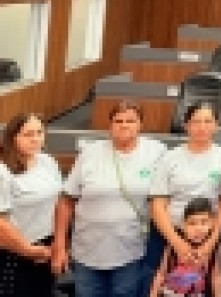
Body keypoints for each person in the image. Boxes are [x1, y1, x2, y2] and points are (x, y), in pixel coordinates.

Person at [52, 100, 168, 297]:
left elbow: (164, 198)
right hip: (87, 250)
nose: (124, 125)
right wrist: (60, 245)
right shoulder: (90, 153)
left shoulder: (157, 152)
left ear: (141, 124)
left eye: (130, 121)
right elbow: (66, 201)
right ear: (110, 125)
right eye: (118, 121)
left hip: (130, 251)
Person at [148, 103, 221, 282]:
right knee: (169, 287)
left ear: (216, 125)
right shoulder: (169, 158)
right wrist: (177, 243)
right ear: (186, 125)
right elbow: (157, 204)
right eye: (196, 122)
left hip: (210, 237)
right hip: (172, 235)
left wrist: (210, 243)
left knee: (206, 287)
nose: (202, 127)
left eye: (208, 121)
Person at [0, 112, 61, 296]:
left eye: (39, 132)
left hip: (46, 248)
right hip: (14, 253)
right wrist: (29, 250)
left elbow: (58, 202)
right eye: (28, 134)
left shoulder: (47, 161)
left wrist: (58, 244)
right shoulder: (3, 170)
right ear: (12, 137)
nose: (35, 139)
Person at [149, 196, 221, 297]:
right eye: (192, 223)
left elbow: (216, 277)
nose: (198, 228)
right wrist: (153, 294)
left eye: (204, 222)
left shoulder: (214, 247)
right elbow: (161, 273)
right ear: (184, 226)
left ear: (212, 223)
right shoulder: (174, 244)